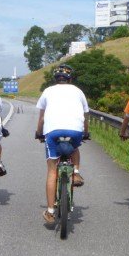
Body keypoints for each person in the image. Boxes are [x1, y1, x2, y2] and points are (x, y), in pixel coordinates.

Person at [35, 64, 89, 224]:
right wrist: (85, 132)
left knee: (52, 171)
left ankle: (50, 211)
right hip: (75, 131)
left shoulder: (48, 91)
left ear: (55, 80)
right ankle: (77, 172)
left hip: (52, 132)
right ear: (70, 79)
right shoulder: (78, 91)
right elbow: (86, 115)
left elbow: (42, 118)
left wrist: (39, 133)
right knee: (75, 147)